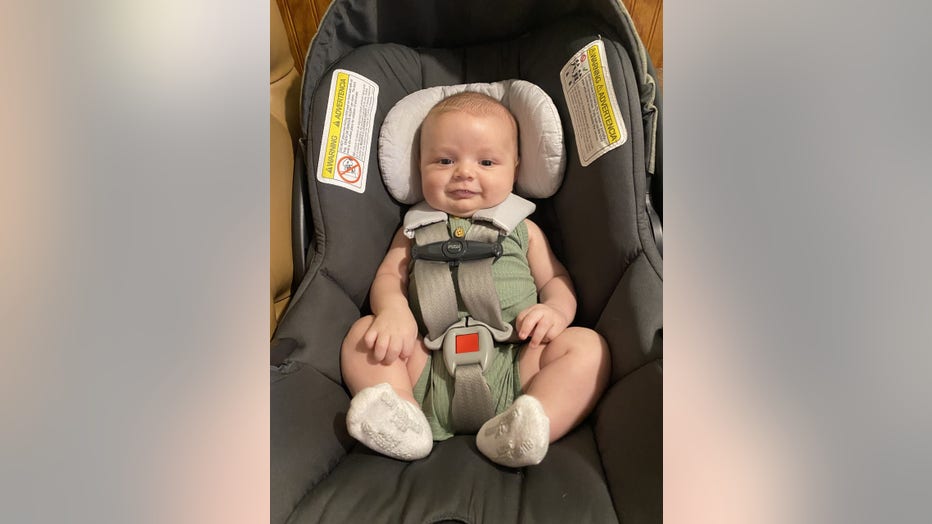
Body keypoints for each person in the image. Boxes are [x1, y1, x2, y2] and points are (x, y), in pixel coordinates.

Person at [340, 91, 610, 467]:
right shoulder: (413, 230)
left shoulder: (524, 229)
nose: (464, 172)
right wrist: (393, 311)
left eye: (486, 161)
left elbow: (556, 280)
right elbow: (389, 276)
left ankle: (531, 423)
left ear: (514, 168)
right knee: (362, 337)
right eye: (444, 160)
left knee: (589, 348)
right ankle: (402, 416)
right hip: (427, 369)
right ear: (420, 166)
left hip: (515, 366)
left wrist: (556, 312)